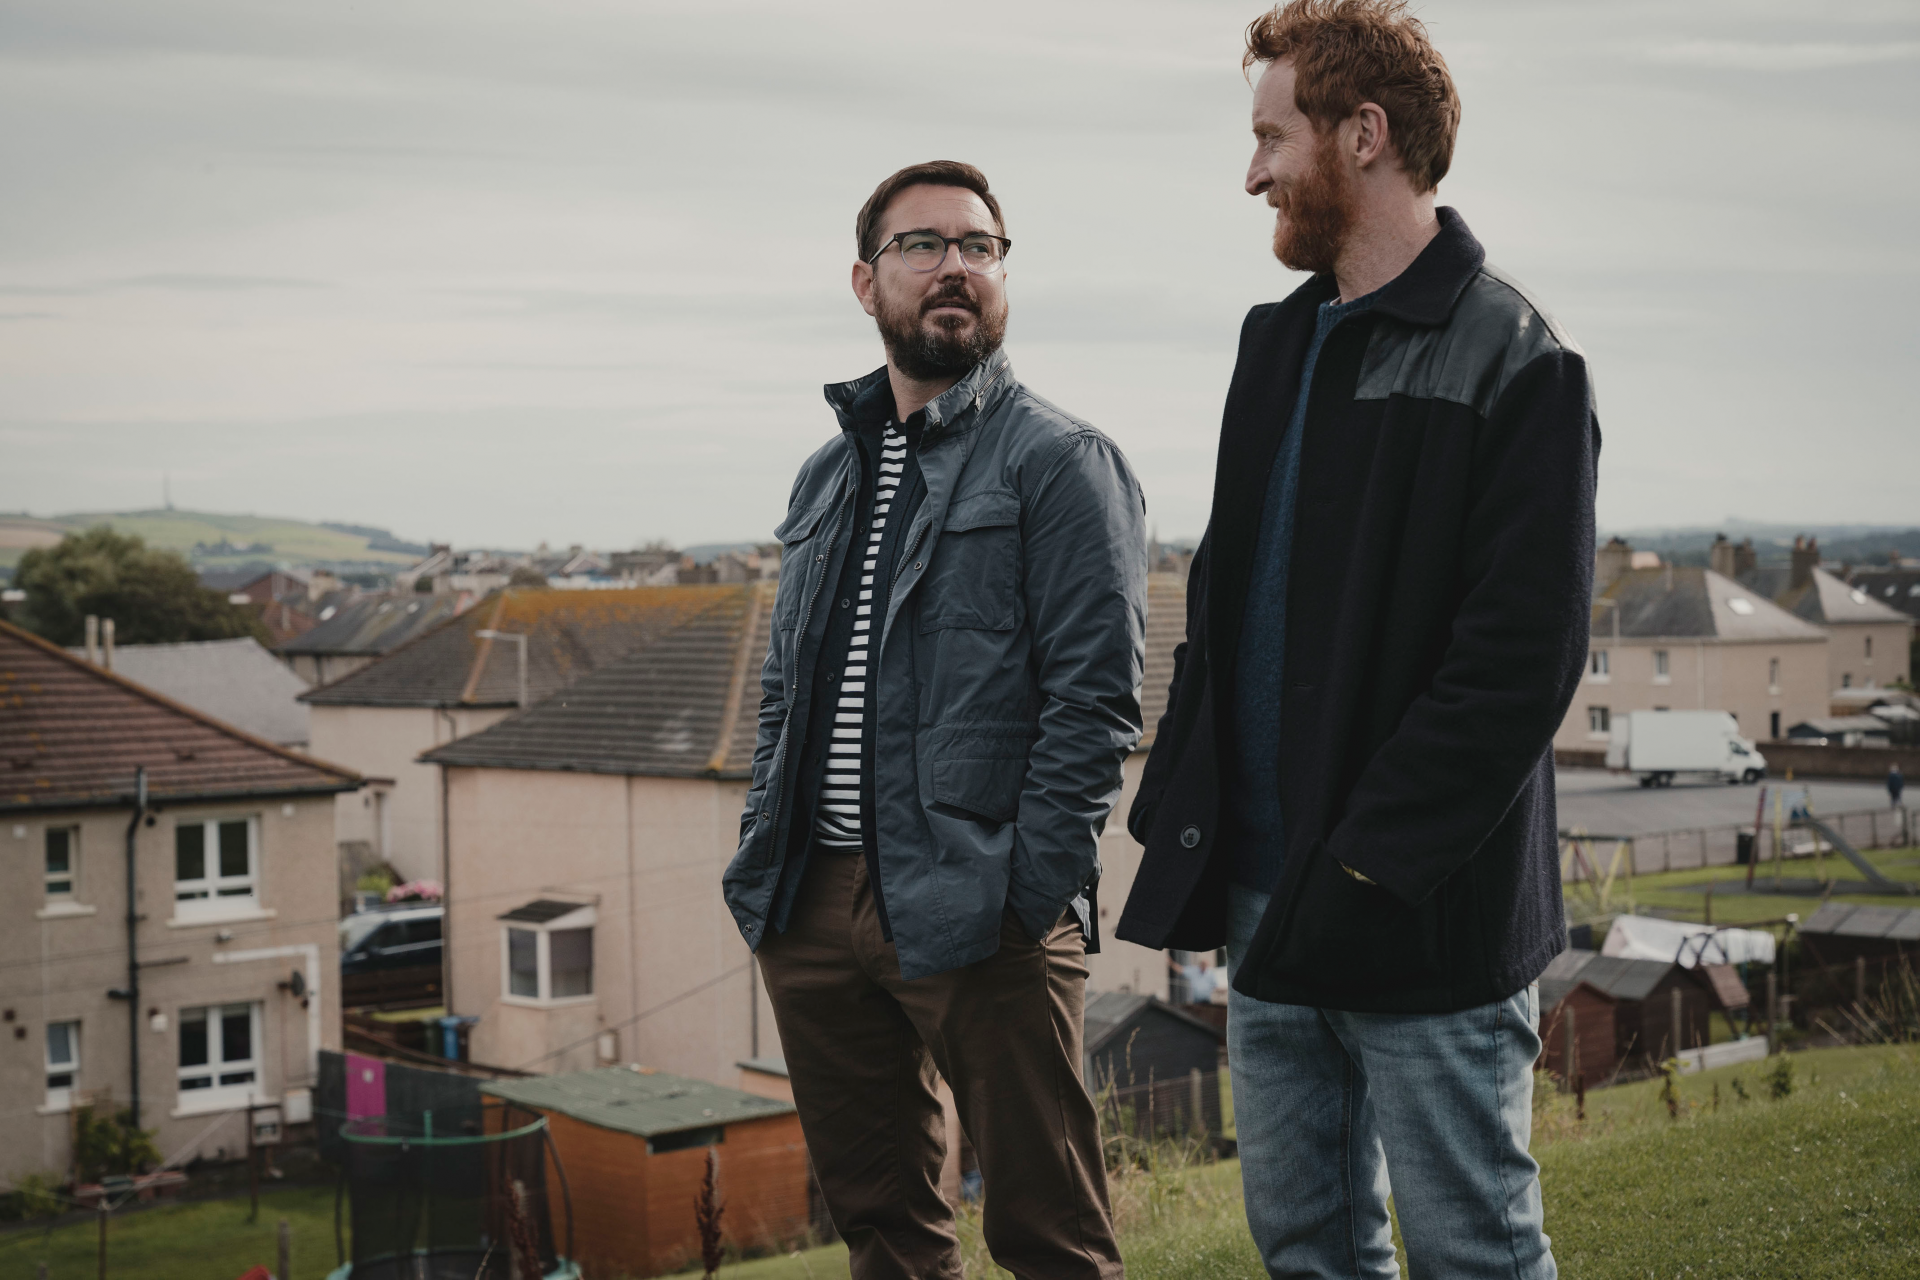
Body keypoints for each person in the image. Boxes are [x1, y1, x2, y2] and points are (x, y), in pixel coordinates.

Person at [1116, 3, 1599, 1277]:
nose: (1254, 170)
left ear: (1365, 134)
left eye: (1274, 135)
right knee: (1308, 1248)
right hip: (1269, 911)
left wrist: (1370, 870)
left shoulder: (1519, 357)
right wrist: (1186, 807)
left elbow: (1516, 669)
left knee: (1473, 1253)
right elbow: (1221, 610)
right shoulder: (1274, 343)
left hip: (1420, 917)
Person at [723, 160, 1145, 1280]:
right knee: (887, 1234)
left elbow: (1096, 698)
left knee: (1051, 1236)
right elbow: (786, 690)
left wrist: (1032, 885)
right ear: (866, 282)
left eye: (981, 246)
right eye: (924, 245)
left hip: (984, 903)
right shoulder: (826, 474)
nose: (956, 265)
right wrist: (769, 867)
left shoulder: (1062, 461)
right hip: (812, 902)